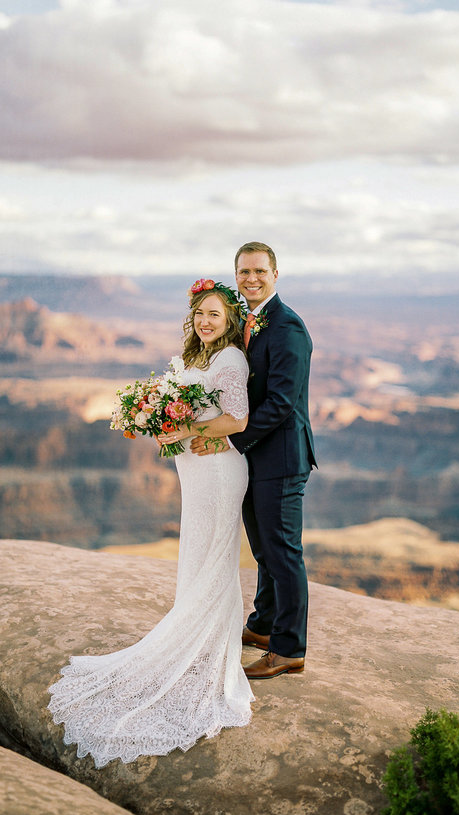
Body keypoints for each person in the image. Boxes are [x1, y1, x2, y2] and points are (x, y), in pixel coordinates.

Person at [47, 279, 254, 766]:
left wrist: (182, 428)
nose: (206, 321)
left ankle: (208, 658)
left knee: (213, 560)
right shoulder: (191, 359)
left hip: (220, 473)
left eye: (215, 316)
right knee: (194, 554)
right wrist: (153, 419)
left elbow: (238, 418)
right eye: (200, 313)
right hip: (195, 472)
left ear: (229, 323)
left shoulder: (229, 360)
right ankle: (198, 648)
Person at [192, 242, 317, 680]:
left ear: (276, 274)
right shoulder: (247, 322)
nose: (251, 278)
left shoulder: (288, 328)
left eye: (259, 271)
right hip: (255, 456)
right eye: (244, 271)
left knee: (283, 552)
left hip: (281, 457)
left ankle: (288, 648)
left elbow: (282, 403)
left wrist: (228, 435)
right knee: (263, 547)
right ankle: (264, 625)